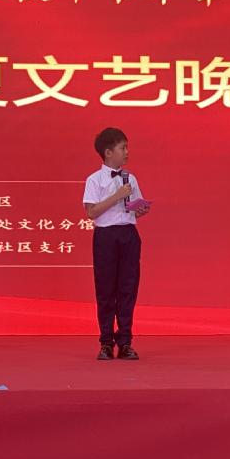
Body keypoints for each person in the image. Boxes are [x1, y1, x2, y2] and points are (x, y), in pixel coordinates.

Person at [82, 127, 149, 360]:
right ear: (108, 152)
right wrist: (117, 196)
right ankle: (106, 343)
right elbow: (91, 212)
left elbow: (134, 207)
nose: (127, 152)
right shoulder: (94, 179)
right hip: (106, 237)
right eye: (123, 148)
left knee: (128, 289)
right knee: (106, 289)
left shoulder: (131, 178)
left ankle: (126, 342)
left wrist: (140, 209)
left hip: (128, 234)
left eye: (127, 147)